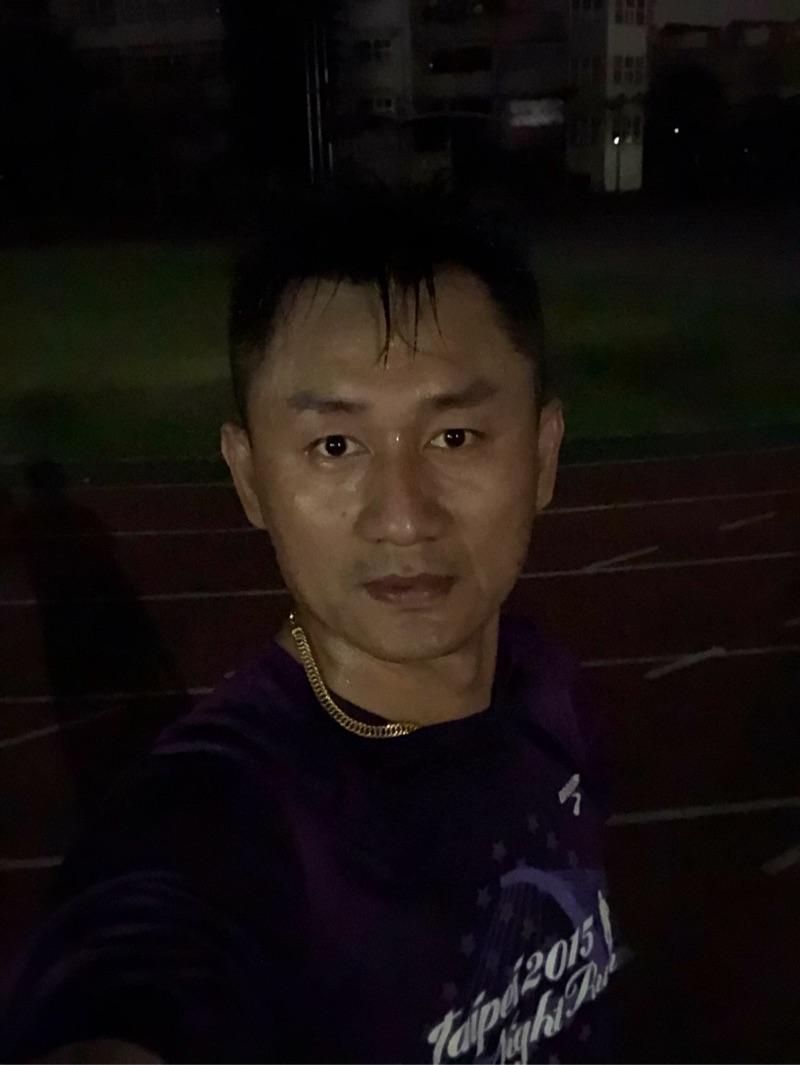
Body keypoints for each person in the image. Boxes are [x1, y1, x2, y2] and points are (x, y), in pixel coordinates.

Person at [1, 185, 618, 1063]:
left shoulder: (546, 685)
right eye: (335, 446)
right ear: (249, 477)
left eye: (455, 437)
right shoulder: (218, 821)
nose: (402, 518)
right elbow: (131, 968)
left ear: (544, 455)